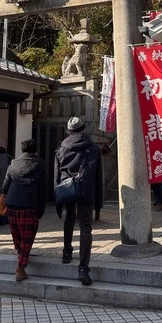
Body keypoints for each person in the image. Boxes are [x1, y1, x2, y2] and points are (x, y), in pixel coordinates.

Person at [54, 116, 102, 286]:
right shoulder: (94, 148)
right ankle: (83, 268)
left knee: (69, 218)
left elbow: (57, 175)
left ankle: (67, 252)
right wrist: (98, 202)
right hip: (87, 190)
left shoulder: (61, 149)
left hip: (67, 188)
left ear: (69, 131)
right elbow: (98, 176)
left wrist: (57, 200)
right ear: (83, 129)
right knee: (85, 228)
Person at [1, 139, 46, 281]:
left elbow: (5, 185)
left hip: (12, 202)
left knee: (17, 235)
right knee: (27, 237)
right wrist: (41, 210)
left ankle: (21, 255)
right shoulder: (40, 164)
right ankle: (20, 268)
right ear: (36, 151)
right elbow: (42, 190)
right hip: (29, 203)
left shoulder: (13, 163)